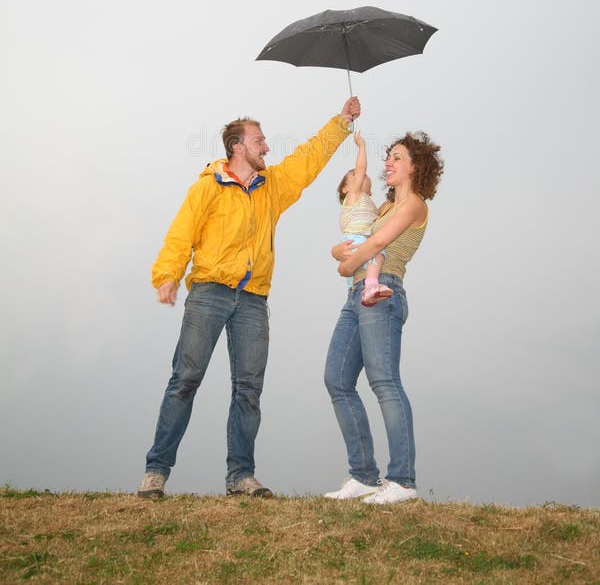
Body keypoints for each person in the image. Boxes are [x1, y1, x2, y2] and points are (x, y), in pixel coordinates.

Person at [137, 96, 361, 500]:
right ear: (237, 146)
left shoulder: (272, 187)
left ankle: (240, 476)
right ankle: (156, 472)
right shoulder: (208, 187)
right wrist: (168, 276)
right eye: (260, 141)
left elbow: (307, 160)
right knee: (185, 380)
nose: (267, 148)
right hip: (209, 293)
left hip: (253, 300)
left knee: (248, 390)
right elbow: (181, 232)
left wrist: (341, 122)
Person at [324, 130, 443, 504]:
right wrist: (336, 252)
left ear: (415, 167)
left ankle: (403, 480)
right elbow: (358, 234)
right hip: (357, 295)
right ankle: (363, 475)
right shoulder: (383, 208)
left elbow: (376, 244)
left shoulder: (415, 205)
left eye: (396, 157)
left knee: (384, 382)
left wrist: (346, 267)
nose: (387, 163)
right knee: (337, 379)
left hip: (384, 292)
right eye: (387, 156)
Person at [337, 131, 391, 306]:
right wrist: (361, 146)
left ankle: (358, 292)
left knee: (354, 282)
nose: (359, 174)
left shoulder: (368, 204)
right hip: (355, 239)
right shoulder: (353, 195)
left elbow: (384, 211)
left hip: (358, 241)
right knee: (379, 253)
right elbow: (361, 168)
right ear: (346, 188)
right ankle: (371, 285)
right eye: (354, 175)